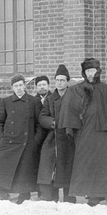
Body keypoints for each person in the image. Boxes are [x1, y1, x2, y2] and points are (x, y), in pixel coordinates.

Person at [58, 58, 107, 207]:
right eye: (88, 71)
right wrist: (71, 130)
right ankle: (93, 197)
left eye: (93, 70)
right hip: (86, 134)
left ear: (98, 71)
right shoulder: (75, 90)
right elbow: (69, 112)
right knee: (89, 165)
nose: (90, 74)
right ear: (84, 73)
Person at [0, 74, 43, 203]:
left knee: (24, 171)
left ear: (24, 86)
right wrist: (1, 138)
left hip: (27, 142)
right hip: (8, 142)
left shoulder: (34, 101)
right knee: (2, 168)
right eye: (16, 86)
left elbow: (39, 124)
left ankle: (24, 196)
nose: (19, 88)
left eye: (20, 85)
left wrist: (35, 141)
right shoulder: (6, 102)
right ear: (12, 88)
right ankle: (1, 194)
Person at [38, 65, 74, 202]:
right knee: (50, 167)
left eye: (62, 80)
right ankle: (50, 198)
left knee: (69, 169)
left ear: (67, 81)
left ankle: (69, 199)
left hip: (70, 138)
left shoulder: (74, 96)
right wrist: (52, 122)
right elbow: (43, 116)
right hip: (53, 138)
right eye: (57, 80)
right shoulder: (50, 99)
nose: (59, 83)